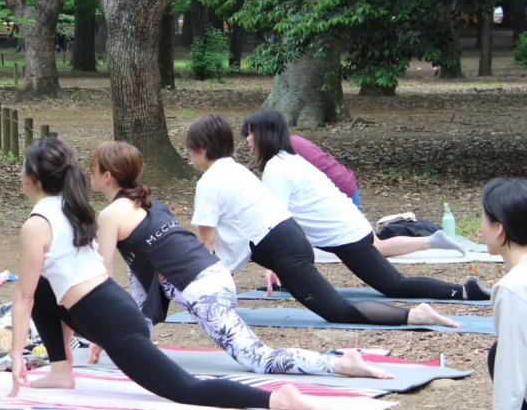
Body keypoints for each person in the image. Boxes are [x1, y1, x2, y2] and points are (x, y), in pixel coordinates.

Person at [8, 138, 331, 410]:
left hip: (112, 321)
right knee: (43, 284)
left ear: (32, 178)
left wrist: (16, 358)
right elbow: (49, 290)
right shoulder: (71, 209)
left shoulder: (38, 224)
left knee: (185, 388)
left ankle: (275, 399)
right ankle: (61, 370)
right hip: (105, 309)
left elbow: (23, 299)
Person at [88, 140, 391, 378]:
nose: (89, 174)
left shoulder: (111, 216)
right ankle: (339, 362)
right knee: (256, 355)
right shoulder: (151, 204)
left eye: (92, 168)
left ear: (107, 176)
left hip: (204, 292)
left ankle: (338, 364)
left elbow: (104, 281)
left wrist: (104, 329)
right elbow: (143, 283)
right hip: (215, 276)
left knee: (260, 359)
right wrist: (130, 339)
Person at [184, 115, 456, 328]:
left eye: (190, 150)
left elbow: (208, 245)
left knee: (339, 310)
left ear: (202, 148)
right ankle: (439, 302)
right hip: (291, 241)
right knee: (362, 296)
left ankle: (415, 315)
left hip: (289, 250)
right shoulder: (237, 170)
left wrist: (195, 288)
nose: (189, 156)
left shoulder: (211, 182)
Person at [241, 109, 489, 304]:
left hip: (346, 234)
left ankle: (464, 290)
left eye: (251, 133)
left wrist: (275, 265)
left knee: (394, 285)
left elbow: (277, 224)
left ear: (265, 134)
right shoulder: (287, 160)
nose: (248, 139)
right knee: (392, 280)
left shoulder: (278, 168)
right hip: (347, 226)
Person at [278, 132, 466, 258]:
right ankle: (431, 241)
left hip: (340, 194)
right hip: (346, 189)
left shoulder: (284, 150)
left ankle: (431, 241)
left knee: (374, 248)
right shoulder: (293, 141)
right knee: (372, 245)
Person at [473, 178, 527, 410]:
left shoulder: (514, 288)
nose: (480, 229)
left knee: (501, 355)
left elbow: (512, 374)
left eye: (483, 220)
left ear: (499, 229)